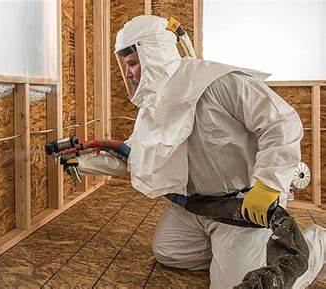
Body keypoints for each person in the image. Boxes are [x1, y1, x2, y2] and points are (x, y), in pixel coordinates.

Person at [70, 15, 325, 288]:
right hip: (199, 206)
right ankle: (227, 255)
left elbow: (281, 121)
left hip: (245, 205)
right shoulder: (153, 105)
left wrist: (269, 184)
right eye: (126, 66)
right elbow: (135, 154)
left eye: (133, 63)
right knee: (167, 250)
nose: (129, 73)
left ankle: (316, 245)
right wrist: (83, 164)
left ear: (153, 53)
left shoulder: (219, 83)